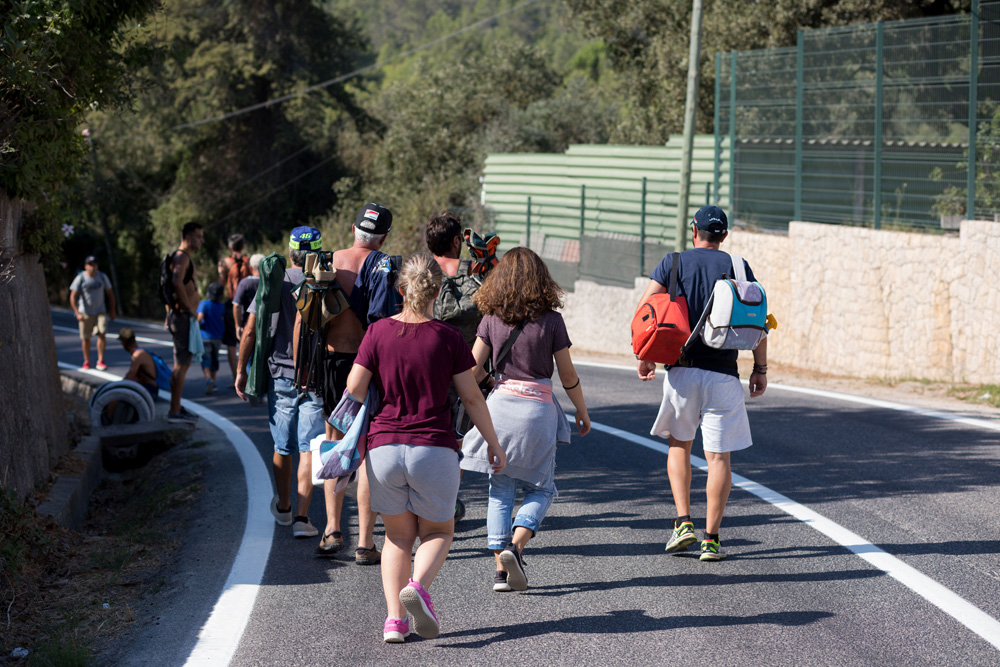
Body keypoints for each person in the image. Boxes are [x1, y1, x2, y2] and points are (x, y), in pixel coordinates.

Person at [342, 253, 506, 642]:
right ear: (437, 292)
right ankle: (418, 586)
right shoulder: (447, 338)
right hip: (433, 446)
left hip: (383, 449)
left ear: (401, 290)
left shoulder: (378, 332)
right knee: (439, 531)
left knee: (397, 537)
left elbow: (353, 388)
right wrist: (493, 444)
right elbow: (472, 398)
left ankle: (394, 622)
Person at [636, 205, 768, 562]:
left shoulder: (673, 262)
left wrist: (645, 354)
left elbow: (646, 309)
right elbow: (759, 320)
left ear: (694, 230)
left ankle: (683, 523)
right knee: (718, 457)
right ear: (724, 235)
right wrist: (760, 368)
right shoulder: (739, 266)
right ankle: (711, 540)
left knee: (680, 445)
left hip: (682, 370)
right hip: (725, 374)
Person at [461, 247, 591, 593]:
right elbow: (567, 375)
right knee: (542, 487)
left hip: (500, 407)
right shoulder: (551, 321)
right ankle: (515, 548)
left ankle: (500, 572)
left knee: (500, 488)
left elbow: (473, 371)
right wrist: (580, 409)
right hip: (538, 411)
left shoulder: (490, 319)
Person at [312, 203, 398, 563]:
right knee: (367, 452)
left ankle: (332, 530)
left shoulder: (326, 262)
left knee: (334, 444)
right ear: (384, 236)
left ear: (353, 229)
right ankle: (365, 542)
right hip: (367, 365)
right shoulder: (382, 265)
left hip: (331, 362)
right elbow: (386, 321)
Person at [235, 227, 325, 539]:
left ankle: (284, 508)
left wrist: (241, 370)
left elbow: (250, 329)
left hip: (281, 375)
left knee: (282, 445)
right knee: (309, 446)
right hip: (314, 376)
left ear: (289, 252)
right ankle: (303, 517)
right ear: (316, 251)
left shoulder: (275, 280)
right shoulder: (326, 280)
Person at [426, 211, 483, 522]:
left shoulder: (421, 272)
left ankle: (422, 497)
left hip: (425, 365)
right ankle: (447, 500)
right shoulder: (474, 271)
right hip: (464, 367)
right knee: (456, 438)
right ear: (455, 241)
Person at [165, 222, 204, 424]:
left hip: (179, 316)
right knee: (181, 365)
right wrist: (189, 306)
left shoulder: (182, 257)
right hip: (182, 317)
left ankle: (176, 407)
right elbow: (175, 281)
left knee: (180, 365)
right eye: (198, 236)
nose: (202, 240)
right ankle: (175, 410)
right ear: (188, 237)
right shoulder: (181, 257)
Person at [69, 256, 116, 370]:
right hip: (85, 312)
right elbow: (73, 296)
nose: (93, 267)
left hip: (100, 310)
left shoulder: (102, 277)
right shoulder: (81, 278)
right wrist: (77, 312)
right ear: (86, 266)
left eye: (95, 264)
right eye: (90, 264)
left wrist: (112, 311)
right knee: (86, 337)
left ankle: (100, 360)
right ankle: (86, 361)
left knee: (102, 333)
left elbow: (110, 294)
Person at [219, 233, 249, 379]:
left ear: (229, 247)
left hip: (231, 303)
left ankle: (235, 376)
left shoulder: (224, 262)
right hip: (246, 304)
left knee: (231, 343)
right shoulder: (247, 261)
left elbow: (221, 284)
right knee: (248, 339)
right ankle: (248, 375)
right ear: (242, 246)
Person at [196, 282, 226, 395]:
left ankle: (209, 379)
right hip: (217, 337)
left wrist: (195, 329)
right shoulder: (221, 306)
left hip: (205, 337)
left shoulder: (203, 304)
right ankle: (214, 382)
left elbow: (200, 318)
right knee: (214, 360)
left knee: (205, 360)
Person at [117, 328, 159, 399]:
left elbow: (130, 376)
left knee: (116, 397)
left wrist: (115, 388)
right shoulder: (140, 352)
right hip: (147, 388)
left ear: (123, 342)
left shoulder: (137, 355)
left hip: (149, 389)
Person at [233, 253, 264, 341]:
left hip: (247, 325)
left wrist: (238, 326)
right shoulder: (269, 283)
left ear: (250, 267)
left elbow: (236, 305)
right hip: (265, 327)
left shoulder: (245, 283)